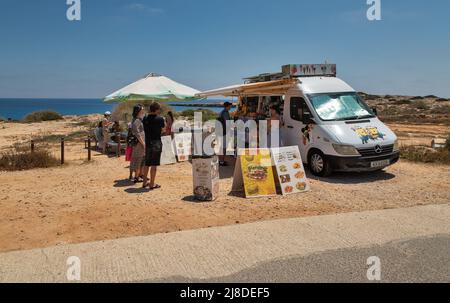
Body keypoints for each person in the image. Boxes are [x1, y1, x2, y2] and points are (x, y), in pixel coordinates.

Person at [142, 102, 165, 190]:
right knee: (154, 164)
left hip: (148, 142)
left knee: (147, 163)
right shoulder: (160, 119)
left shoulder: (145, 118)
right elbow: (163, 130)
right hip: (156, 142)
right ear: (157, 109)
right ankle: (152, 184)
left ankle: (144, 182)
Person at [130, 105, 146, 183]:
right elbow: (137, 134)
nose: (143, 111)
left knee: (142, 159)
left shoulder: (138, 119)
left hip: (141, 143)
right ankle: (137, 177)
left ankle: (140, 175)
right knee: (139, 159)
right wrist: (143, 143)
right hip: (139, 143)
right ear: (138, 111)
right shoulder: (136, 120)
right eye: (142, 109)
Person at [217, 102, 233, 166]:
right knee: (223, 147)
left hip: (221, 131)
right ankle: (222, 161)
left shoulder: (222, 112)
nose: (230, 107)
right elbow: (227, 123)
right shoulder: (225, 113)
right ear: (227, 106)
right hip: (224, 132)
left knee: (222, 146)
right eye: (230, 106)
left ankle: (221, 160)